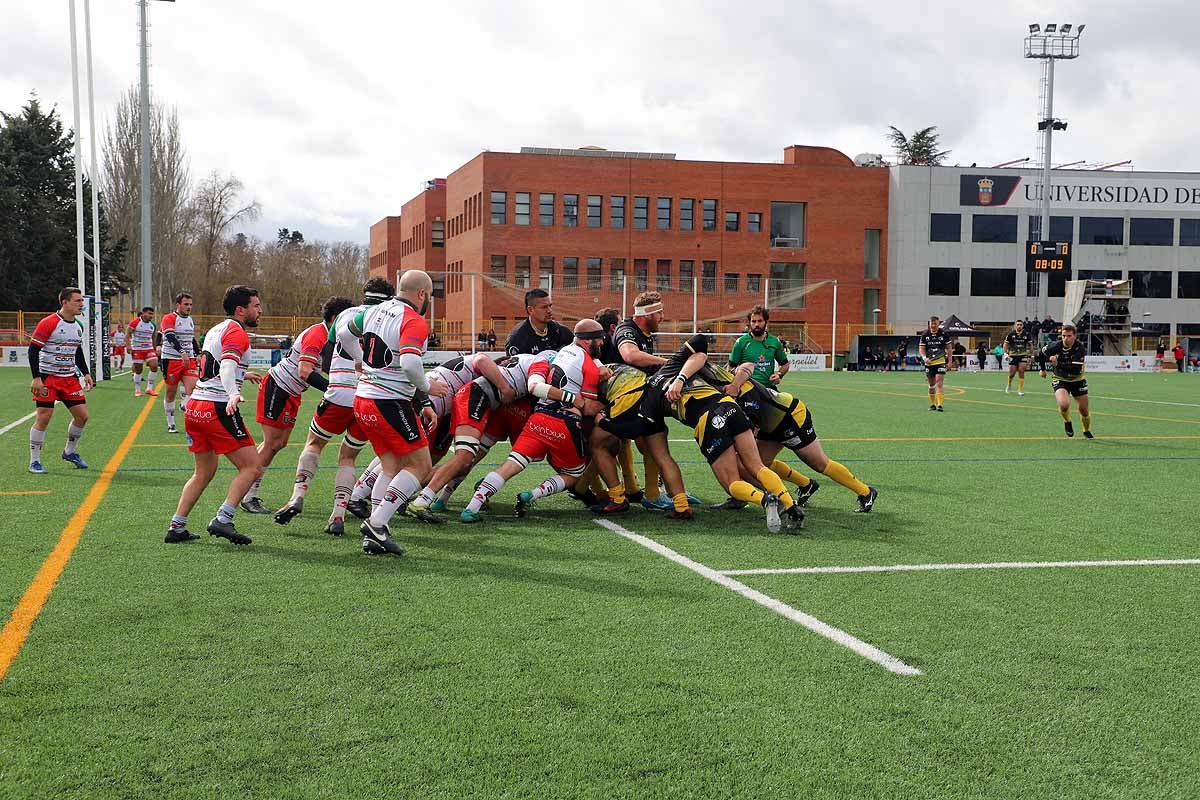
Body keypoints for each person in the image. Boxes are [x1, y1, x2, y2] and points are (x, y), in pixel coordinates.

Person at [272, 280, 394, 535]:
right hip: (368, 398)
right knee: (348, 457)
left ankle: (297, 495)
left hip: (338, 393)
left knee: (314, 443)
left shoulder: (347, 314)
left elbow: (330, 344)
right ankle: (338, 514)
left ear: (365, 296)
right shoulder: (392, 320)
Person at [461, 319, 607, 523]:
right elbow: (587, 406)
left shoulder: (563, 352)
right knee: (574, 473)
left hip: (538, 417)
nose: (602, 342)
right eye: (599, 338)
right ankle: (533, 494)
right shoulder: (588, 366)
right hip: (565, 422)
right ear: (587, 340)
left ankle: (471, 507)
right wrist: (606, 406)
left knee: (510, 465)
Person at [353, 269, 448, 556]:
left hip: (364, 398)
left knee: (391, 465)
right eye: (428, 296)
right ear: (422, 295)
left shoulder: (373, 311)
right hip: (389, 401)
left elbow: (343, 332)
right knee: (420, 466)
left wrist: (360, 362)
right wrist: (428, 386)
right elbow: (409, 363)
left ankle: (374, 534)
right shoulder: (414, 320)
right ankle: (376, 524)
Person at [164, 285, 264, 545]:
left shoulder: (216, 329)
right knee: (251, 466)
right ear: (240, 310)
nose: (260, 310)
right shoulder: (237, 332)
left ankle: (177, 526)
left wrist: (244, 375)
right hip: (216, 407)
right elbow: (228, 365)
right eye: (256, 305)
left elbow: (217, 364)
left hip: (195, 405)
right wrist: (232, 392)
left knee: (203, 472)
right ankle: (224, 518)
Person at [239, 296, 353, 515]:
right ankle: (248, 495)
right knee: (272, 443)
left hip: (292, 392)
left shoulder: (335, 337)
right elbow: (305, 371)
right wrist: (333, 389)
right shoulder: (318, 334)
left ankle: (249, 490)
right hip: (278, 387)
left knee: (280, 443)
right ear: (334, 318)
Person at [27, 287, 94, 474]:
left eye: (82, 301)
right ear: (65, 302)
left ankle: (69, 452)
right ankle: (35, 461)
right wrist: (36, 378)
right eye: (77, 301)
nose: (81, 304)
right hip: (48, 378)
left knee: (82, 416)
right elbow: (33, 350)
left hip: (69, 378)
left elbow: (77, 351)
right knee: (44, 417)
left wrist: (86, 373)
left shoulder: (79, 325)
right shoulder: (49, 323)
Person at [1038, 322, 1093, 439]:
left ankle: (1086, 430)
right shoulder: (1055, 346)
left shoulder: (1079, 348)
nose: (1065, 338)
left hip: (1077, 379)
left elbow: (1074, 369)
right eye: (1063, 336)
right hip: (1060, 379)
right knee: (1064, 404)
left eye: (1069, 336)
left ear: (1075, 336)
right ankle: (1067, 422)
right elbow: (1041, 353)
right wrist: (1043, 369)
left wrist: (1057, 363)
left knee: (1084, 410)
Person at [159, 292, 200, 433]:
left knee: (194, 387)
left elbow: (191, 339)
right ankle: (171, 423)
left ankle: (184, 404)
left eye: (190, 304)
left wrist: (198, 353)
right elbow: (170, 336)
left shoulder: (190, 319)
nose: (189, 307)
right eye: (186, 304)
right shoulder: (169, 318)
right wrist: (182, 352)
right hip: (171, 359)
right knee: (171, 392)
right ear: (178, 305)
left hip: (189, 359)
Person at [728, 305, 788, 385]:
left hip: (768, 389)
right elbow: (730, 368)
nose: (756, 324)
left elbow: (785, 364)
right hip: (747, 390)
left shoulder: (774, 342)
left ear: (766, 322)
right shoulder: (741, 342)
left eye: (760, 321)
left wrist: (779, 375)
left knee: (790, 398)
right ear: (750, 323)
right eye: (753, 321)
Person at [505, 288, 573, 356]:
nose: (549, 311)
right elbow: (512, 365)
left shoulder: (560, 331)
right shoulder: (517, 338)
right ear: (530, 310)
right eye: (544, 307)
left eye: (550, 306)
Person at [918, 316, 950, 411]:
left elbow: (949, 348)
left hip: (940, 361)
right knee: (931, 385)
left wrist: (950, 361)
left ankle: (940, 405)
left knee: (939, 383)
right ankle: (933, 404)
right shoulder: (925, 334)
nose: (933, 325)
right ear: (929, 324)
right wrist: (924, 358)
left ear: (938, 323)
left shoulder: (944, 334)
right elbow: (921, 348)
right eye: (931, 323)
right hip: (929, 363)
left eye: (935, 323)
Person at [126, 306, 159, 397]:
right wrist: (128, 346)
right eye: (149, 313)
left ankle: (149, 389)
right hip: (137, 348)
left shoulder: (152, 325)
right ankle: (137, 390)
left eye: (152, 314)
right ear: (143, 313)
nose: (151, 316)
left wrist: (155, 348)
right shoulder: (135, 322)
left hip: (148, 348)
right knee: (138, 369)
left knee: (154, 365)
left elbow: (153, 337)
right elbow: (128, 334)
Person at [1003, 320, 1033, 396]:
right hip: (1013, 355)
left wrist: (1031, 355)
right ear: (1015, 326)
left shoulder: (1026, 334)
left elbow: (1031, 345)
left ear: (1023, 326)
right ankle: (1009, 384)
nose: (1019, 326)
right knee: (1012, 373)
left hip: (1023, 354)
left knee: (1021, 370)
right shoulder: (1011, 334)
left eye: (1021, 324)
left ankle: (1020, 390)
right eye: (1018, 325)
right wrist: (1005, 353)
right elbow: (1006, 344)